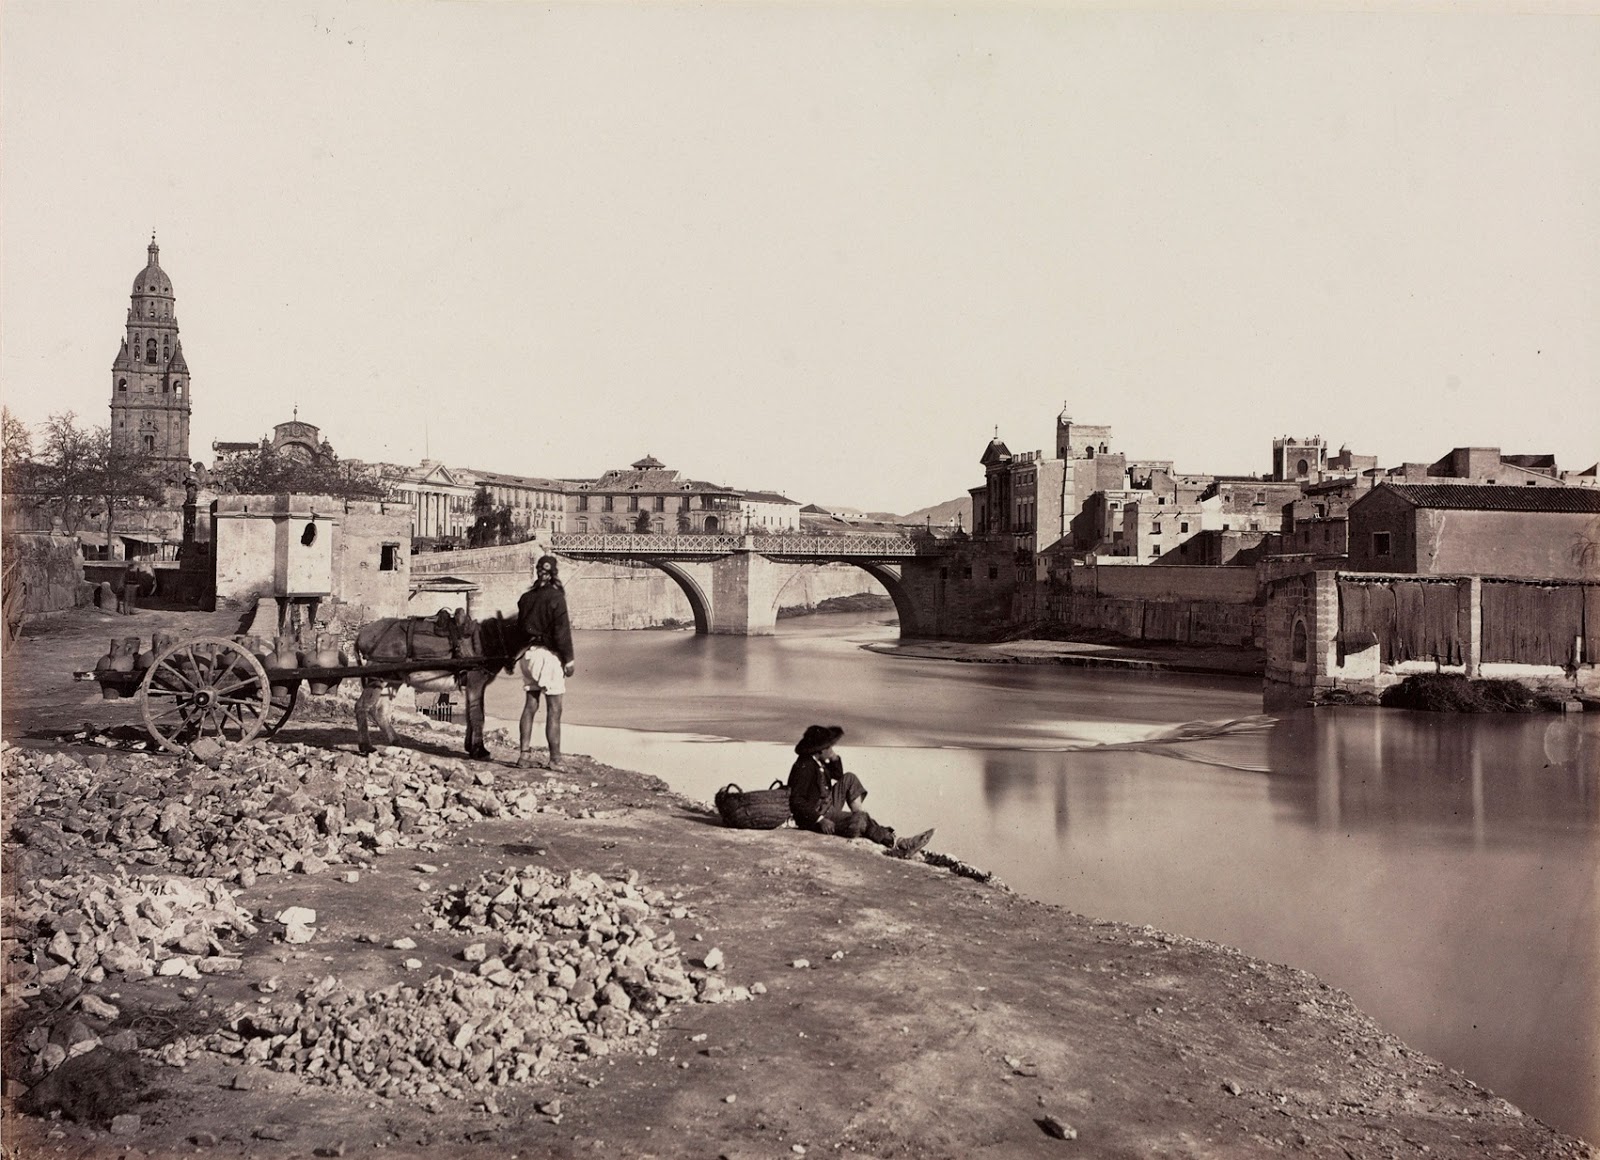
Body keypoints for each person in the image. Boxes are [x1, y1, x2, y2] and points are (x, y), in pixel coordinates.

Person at [787, 724, 933, 859]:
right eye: (829, 747)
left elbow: (838, 775)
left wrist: (834, 758)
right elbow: (796, 800)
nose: (832, 749)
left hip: (826, 804)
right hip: (817, 814)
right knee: (860, 821)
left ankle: (860, 819)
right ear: (820, 749)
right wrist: (820, 820)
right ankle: (899, 843)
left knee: (849, 778)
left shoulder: (816, 761)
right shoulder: (805, 766)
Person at [515, 555, 576, 770]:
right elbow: (562, 633)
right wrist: (568, 660)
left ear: (538, 571)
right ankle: (556, 759)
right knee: (554, 709)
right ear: (554, 573)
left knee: (530, 705)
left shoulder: (526, 598)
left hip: (528, 655)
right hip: (548, 658)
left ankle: (523, 755)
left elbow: (519, 630)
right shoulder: (556, 597)